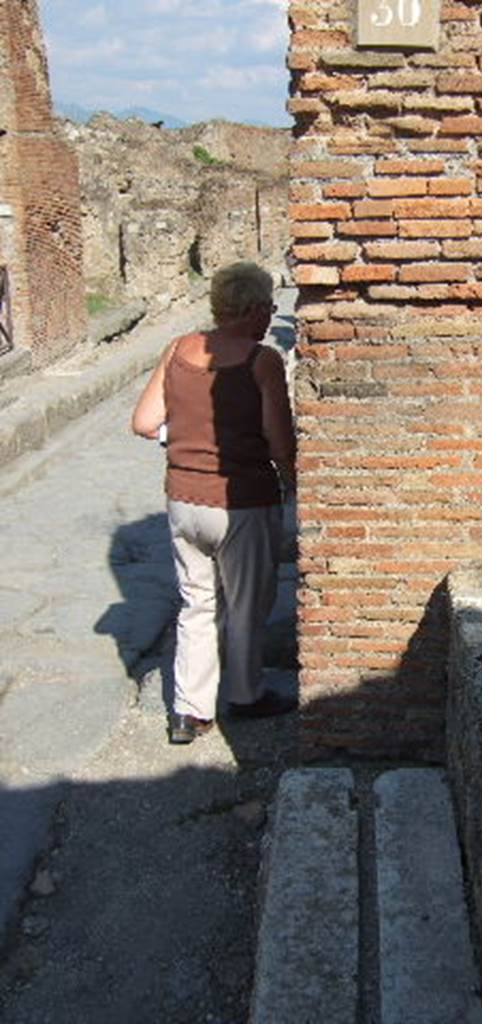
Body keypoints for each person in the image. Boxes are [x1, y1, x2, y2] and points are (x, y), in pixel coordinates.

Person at [131, 261, 297, 744]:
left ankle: (189, 712)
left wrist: (183, 435)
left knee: (196, 603)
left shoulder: (177, 349)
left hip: (183, 500)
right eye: (268, 307)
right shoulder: (262, 361)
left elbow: (144, 422)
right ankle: (245, 694)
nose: (271, 316)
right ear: (253, 309)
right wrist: (291, 484)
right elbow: (279, 442)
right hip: (242, 501)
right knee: (246, 604)